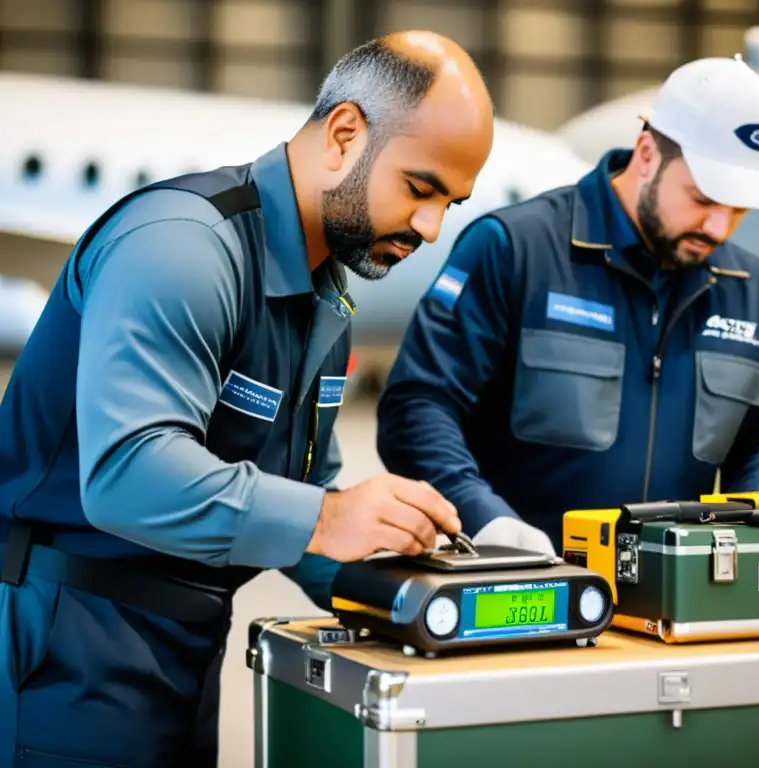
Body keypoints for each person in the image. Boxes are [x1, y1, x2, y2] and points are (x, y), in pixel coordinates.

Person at [0, 31, 492, 767]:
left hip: (184, 646)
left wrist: (424, 596)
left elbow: (296, 503)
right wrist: (327, 518)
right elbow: (126, 474)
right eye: (421, 189)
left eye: (450, 204)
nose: (430, 228)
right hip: (64, 640)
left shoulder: (324, 297)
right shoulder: (182, 248)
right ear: (345, 134)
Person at [377, 55, 759, 556]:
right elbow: (417, 407)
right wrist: (481, 517)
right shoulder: (516, 249)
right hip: (521, 586)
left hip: (676, 596)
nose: (718, 227)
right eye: (702, 198)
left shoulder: (749, 289)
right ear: (648, 153)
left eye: (738, 209)